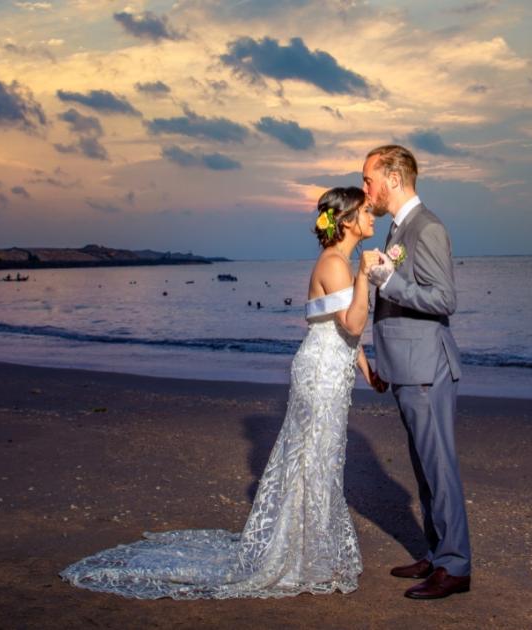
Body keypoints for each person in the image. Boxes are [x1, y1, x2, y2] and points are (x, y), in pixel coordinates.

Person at [60, 186, 384, 599]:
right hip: (320, 374)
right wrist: (364, 280)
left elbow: (343, 336)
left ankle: (308, 551)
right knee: (315, 457)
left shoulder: (340, 261)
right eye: (366, 211)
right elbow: (353, 326)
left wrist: (367, 370)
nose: (373, 215)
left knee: (320, 456)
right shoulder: (338, 265)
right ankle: (308, 557)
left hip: (330, 370)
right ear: (348, 221)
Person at [362, 144, 471, 600]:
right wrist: (384, 360)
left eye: (369, 178)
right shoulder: (398, 228)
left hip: (427, 367)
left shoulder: (426, 228)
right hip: (407, 366)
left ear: (393, 177)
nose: (365, 188)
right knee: (424, 469)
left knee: (439, 467)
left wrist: (389, 279)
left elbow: (443, 299)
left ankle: (455, 566)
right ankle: (435, 551)